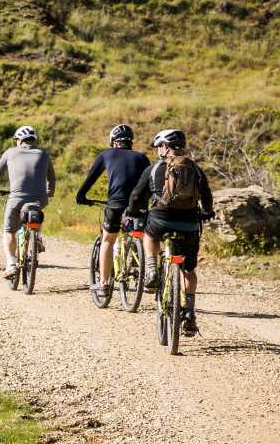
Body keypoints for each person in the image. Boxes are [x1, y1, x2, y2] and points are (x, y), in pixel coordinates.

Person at [124, 128, 214, 337]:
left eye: (159, 147)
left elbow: (137, 195)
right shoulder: (194, 168)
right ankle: (189, 312)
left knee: (150, 235)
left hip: (161, 218)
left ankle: (153, 269)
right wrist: (207, 212)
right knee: (188, 270)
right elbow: (206, 194)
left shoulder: (155, 168)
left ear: (165, 147)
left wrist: (131, 211)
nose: (157, 151)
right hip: (189, 223)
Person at [74, 124, 153, 302]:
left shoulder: (106, 154)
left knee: (108, 240)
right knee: (139, 236)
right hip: (138, 207)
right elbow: (149, 183)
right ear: (130, 142)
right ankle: (143, 270)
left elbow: (90, 178)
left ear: (113, 141)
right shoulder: (142, 157)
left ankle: (104, 283)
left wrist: (81, 195)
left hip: (115, 205)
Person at [0, 126, 55, 280]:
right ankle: (36, 236)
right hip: (40, 198)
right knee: (36, 209)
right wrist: (50, 192)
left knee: (9, 230)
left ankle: (11, 264)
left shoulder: (10, 152)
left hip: (17, 198)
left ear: (19, 140)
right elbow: (51, 176)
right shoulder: (44, 154)